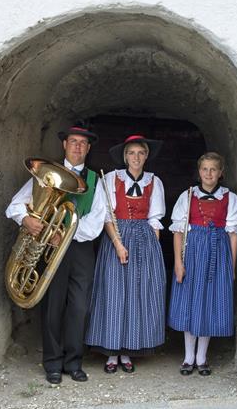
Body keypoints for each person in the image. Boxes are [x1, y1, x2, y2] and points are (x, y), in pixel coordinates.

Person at [6, 126, 106, 384]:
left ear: (89, 148)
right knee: (52, 307)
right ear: (65, 145)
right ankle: (52, 363)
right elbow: (15, 205)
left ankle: (74, 362)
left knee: (79, 308)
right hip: (49, 248)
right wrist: (26, 219)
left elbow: (96, 221)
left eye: (83, 143)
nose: (78, 147)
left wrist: (66, 233)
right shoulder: (46, 174)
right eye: (73, 142)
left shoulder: (96, 180)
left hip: (81, 249)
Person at [85, 134, 166, 374]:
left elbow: (155, 219)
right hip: (116, 238)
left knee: (136, 293)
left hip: (144, 239)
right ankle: (111, 353)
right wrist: (118, 244)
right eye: (131, 153)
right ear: (125, 156)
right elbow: (107, 216)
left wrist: (153, 251)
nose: (136, 157)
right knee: (114, 291)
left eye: (140, 153)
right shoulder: (110, 179)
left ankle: (128, 351)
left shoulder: (155, 181)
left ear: (146, 156)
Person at [168, 152, 237, 376]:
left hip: (217, 254)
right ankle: (188, 357)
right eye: (205, 169)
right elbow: (178, 232)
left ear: (221, 173)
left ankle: (202, 358)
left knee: (209, 304)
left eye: (213, 169)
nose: (209, 173)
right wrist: (178, 263)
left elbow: (233, 235)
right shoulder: (187, 196)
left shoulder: (231, 198)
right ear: (199, 171)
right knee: (190, 302)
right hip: (192, 253)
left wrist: (230, 267)